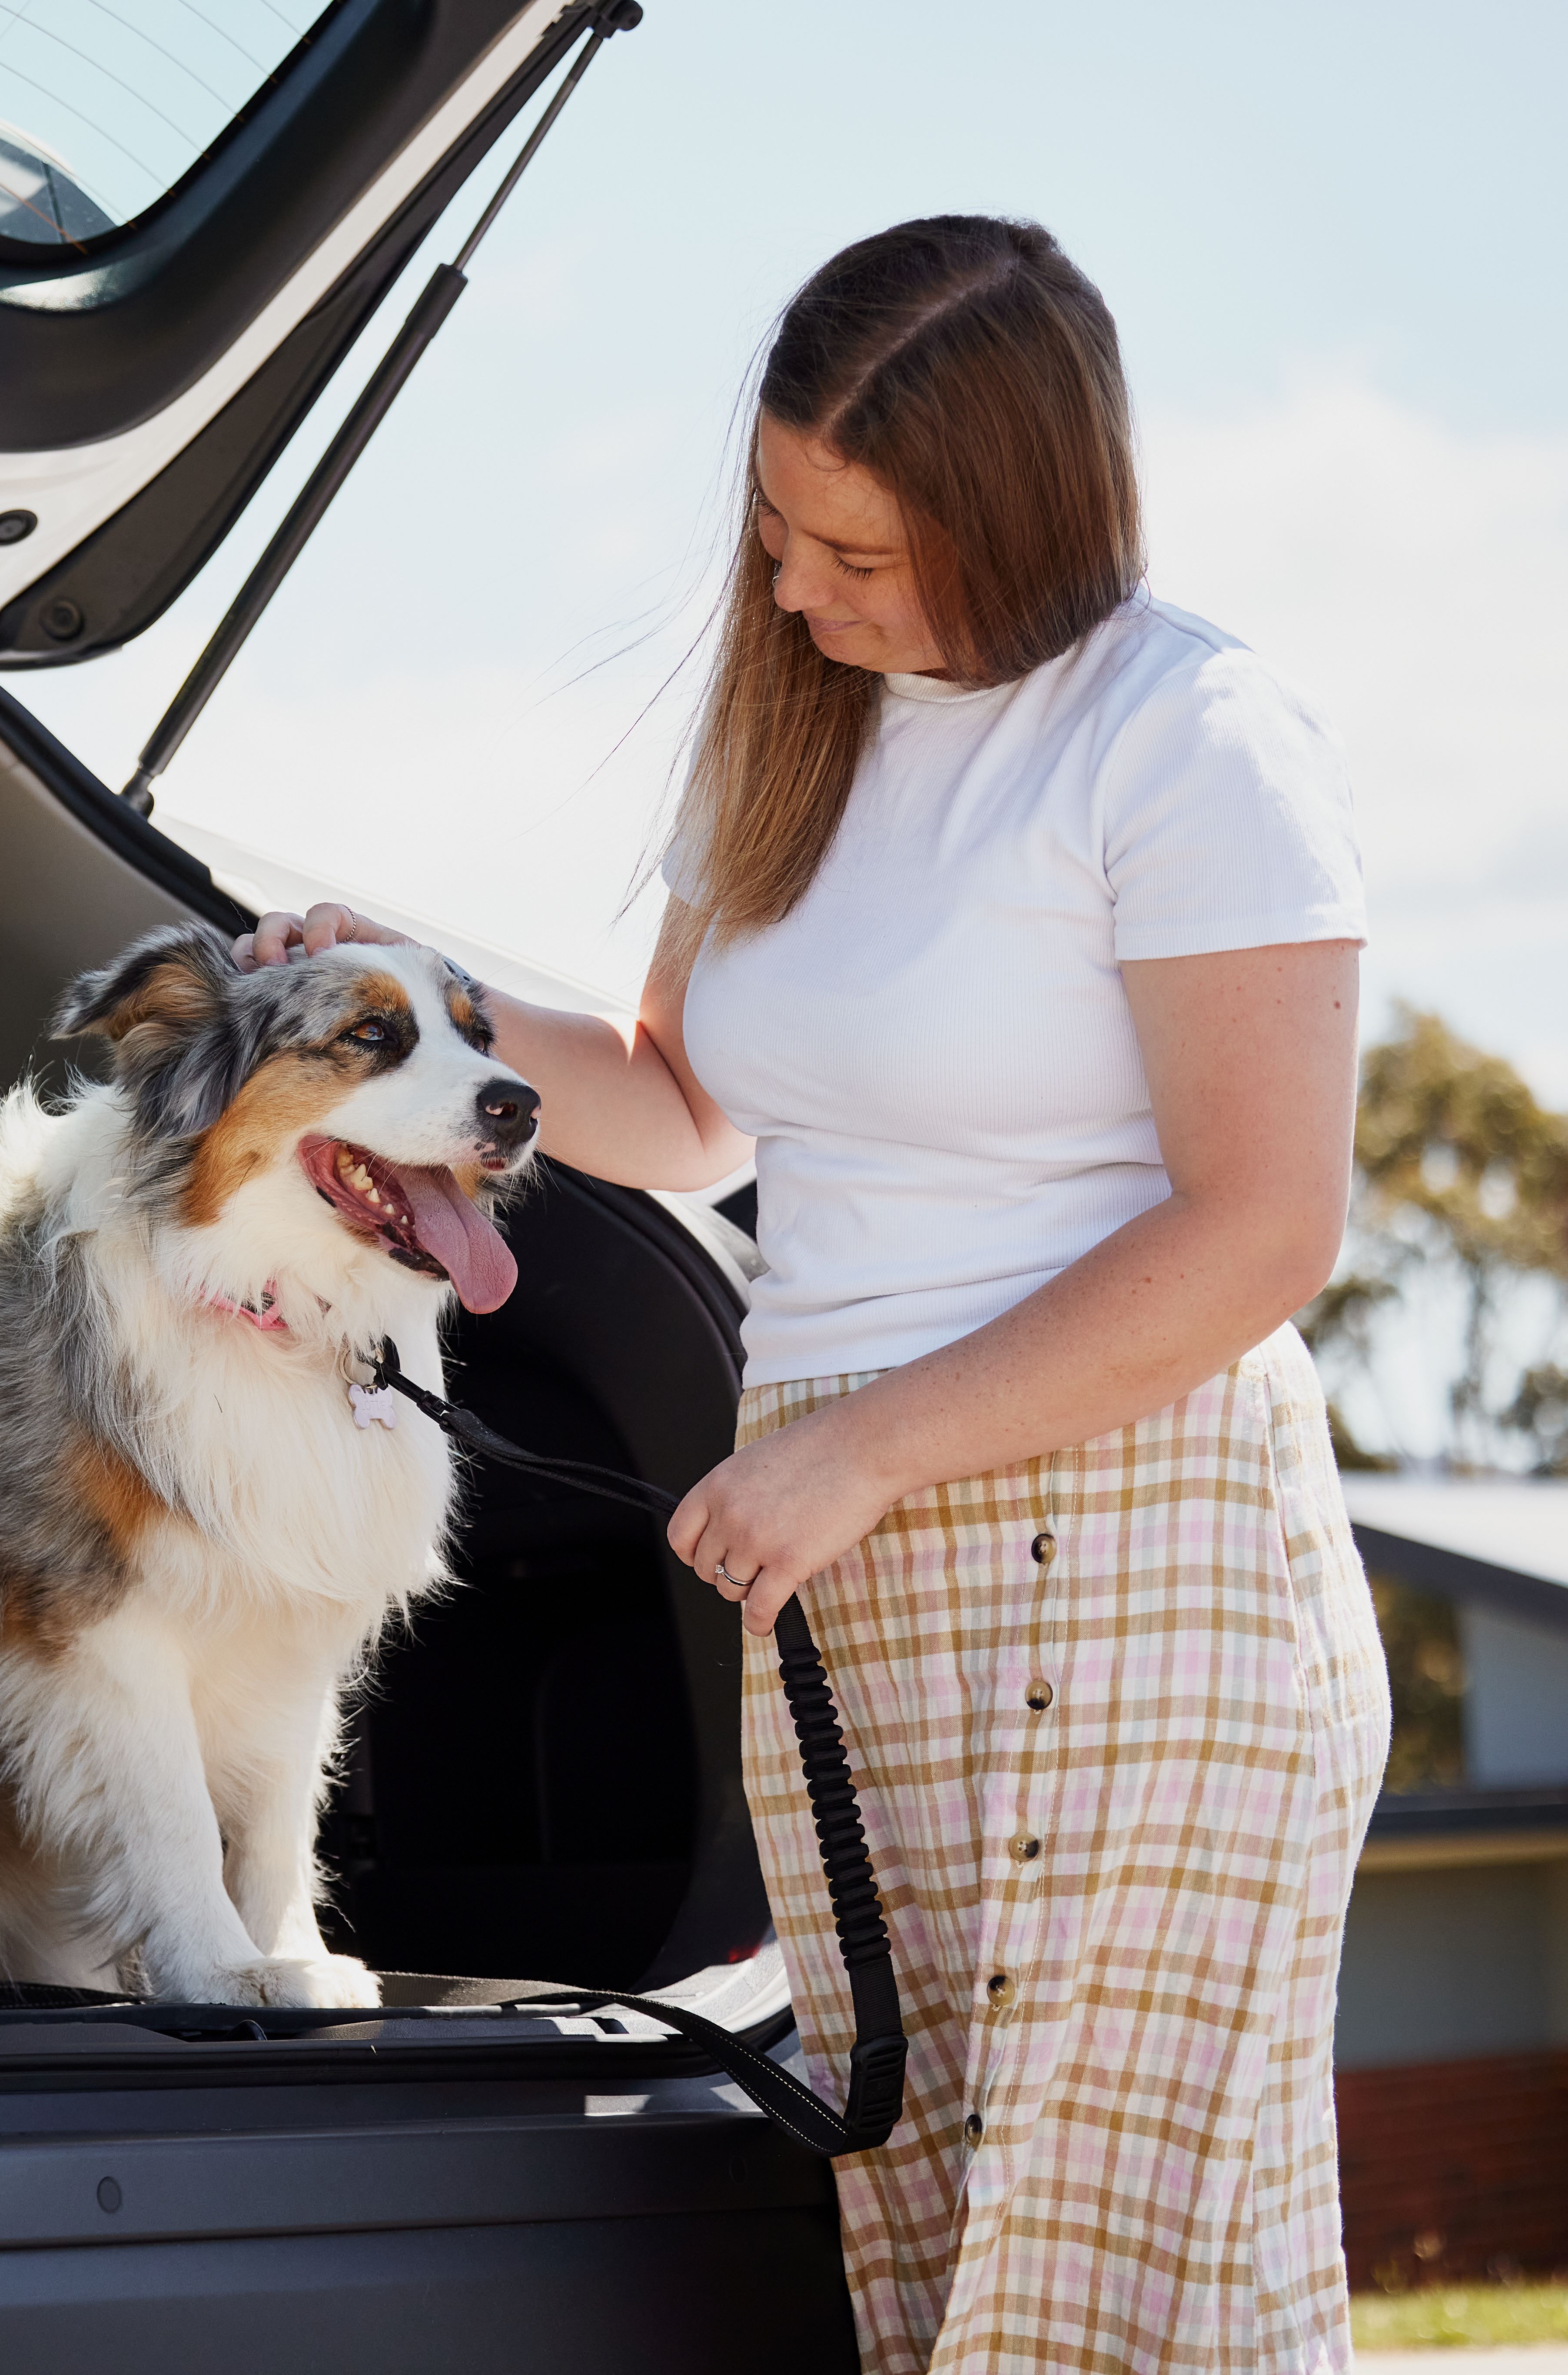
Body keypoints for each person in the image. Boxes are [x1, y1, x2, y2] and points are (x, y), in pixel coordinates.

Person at [240, 216, 1383, 2371]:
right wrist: (408, 988)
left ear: (1019, 515)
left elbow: (1260, 1232)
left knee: (1095, 2300)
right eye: (772, 529)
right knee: (930, 2263)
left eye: (849, 553)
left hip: (1144, 1559)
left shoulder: (1187, 732)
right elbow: (680, 1110)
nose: (788, 592)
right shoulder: (792, 731)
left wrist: (857, 1441)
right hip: (854, 1582)